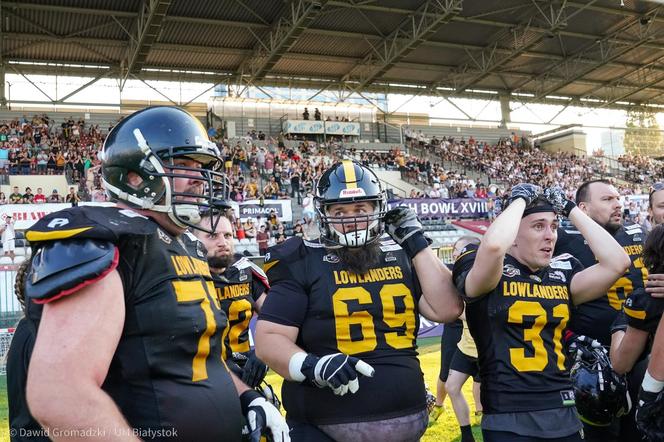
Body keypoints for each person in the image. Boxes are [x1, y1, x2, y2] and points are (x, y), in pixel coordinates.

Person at [6, 106, 289, 442]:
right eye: (184, 165)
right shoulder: (105, 243)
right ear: (134, 176)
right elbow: (60, 396)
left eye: (201, 168)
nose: (199, 179)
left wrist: (245, 395)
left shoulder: (187, 246)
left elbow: (195, 356)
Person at [255, 160, 463, 441]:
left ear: (378, 210)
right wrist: (313, 366)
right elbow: (269, 339)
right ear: (324, 213)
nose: (351, 218)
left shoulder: (401, 252)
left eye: (360, 209)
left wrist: (417, 243)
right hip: (323, 426)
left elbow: (448, 309)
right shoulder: (303, 259)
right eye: (339, 211)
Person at [453, 184, 630, 441]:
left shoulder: (563, 271)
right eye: (538, 226)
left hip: (564, 411)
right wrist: (519, 201)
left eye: (554, 226)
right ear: (512, 233)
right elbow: (492, 248)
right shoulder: (483, 264)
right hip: (509, 415)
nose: (550, 236)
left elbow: (618, 262)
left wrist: (570, 209)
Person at [554, 179, 648, 440]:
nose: (618, 204)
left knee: (641, 432)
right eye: (607, 199)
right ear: (582, 208)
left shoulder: (638, 233)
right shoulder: (563, 239)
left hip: (640, 355)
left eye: (618, 198)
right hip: (589, 361)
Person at [193, 209, 271, 389]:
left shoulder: (244, 270)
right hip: (202, 377)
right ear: (194, 239)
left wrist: (262, 352)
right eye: (212, 236)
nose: (223, 243)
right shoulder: (186, 275)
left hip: (246, 373)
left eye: (227, 235)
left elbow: (275, 321)